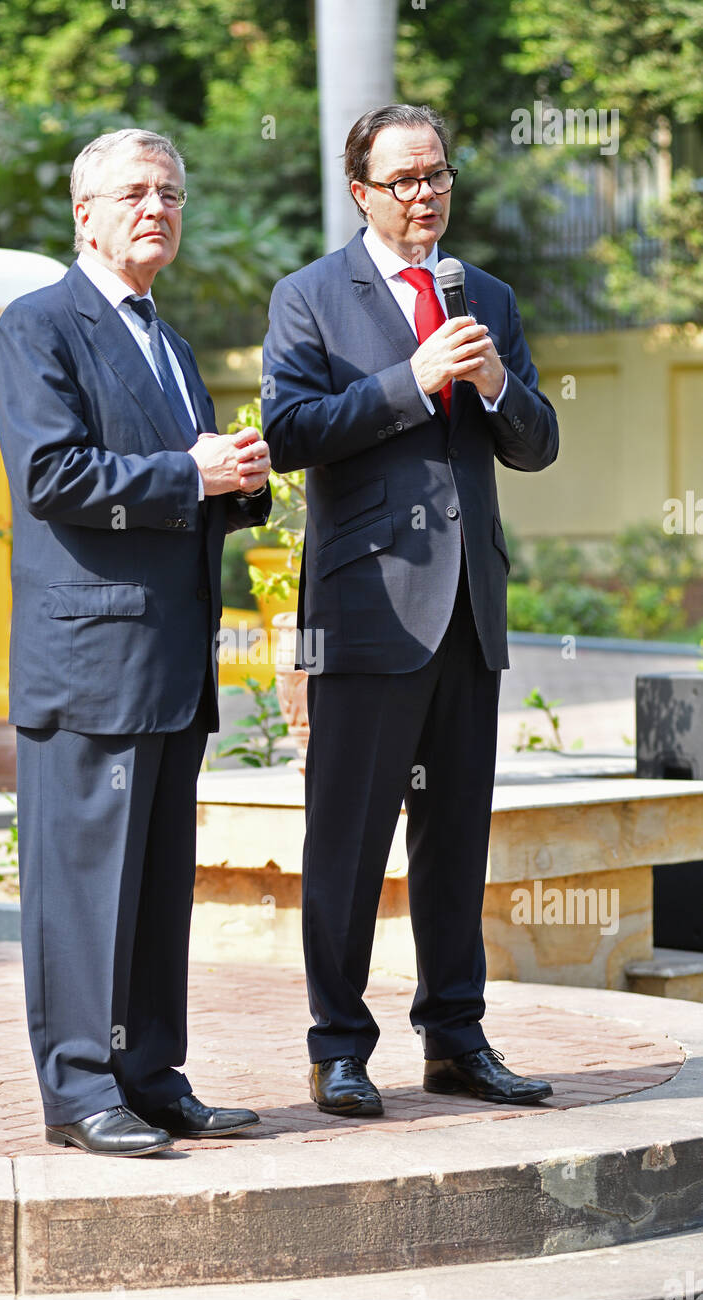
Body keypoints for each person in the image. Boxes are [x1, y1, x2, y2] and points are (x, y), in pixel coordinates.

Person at [262, 104, 559, 1117]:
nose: (424, 193)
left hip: (468, 607)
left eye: (436, 174)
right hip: (366, 609)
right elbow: (291, 431)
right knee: (345, 840)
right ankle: (337, 1046)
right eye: (402, 180)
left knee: (454, 838)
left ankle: (454, 1037)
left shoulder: (484, 296)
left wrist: (490, 384)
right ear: (360, 193)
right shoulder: (309, 297)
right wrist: (408, 380)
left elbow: (536, 445)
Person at [0, 128, 272, 1155]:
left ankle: (150, 1073)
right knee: (79, 890)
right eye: (135, 193)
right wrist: (190, 475)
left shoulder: (175, 346)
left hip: (171, 662)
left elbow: (182, 485)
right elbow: (53, 478)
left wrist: (237, 480)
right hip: (88, 663)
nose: (157, 208)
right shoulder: (38, 327)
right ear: (86, 213)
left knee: (155, 884)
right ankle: (77, 1090)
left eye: (171, 193)